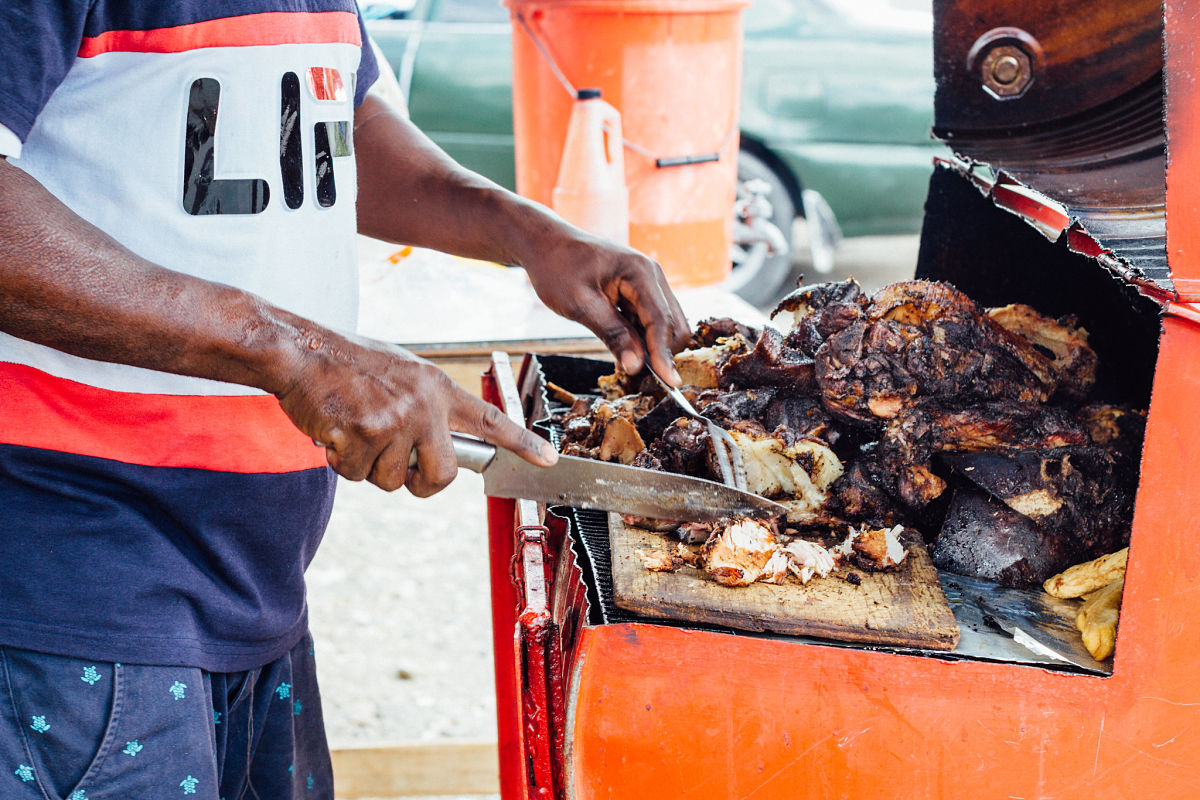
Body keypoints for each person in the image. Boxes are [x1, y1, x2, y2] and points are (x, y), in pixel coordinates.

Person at [0, 3, 689, 798]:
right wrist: (299, 354)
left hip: (259, 587)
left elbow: (329, 128)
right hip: (75, 598)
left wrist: (526, 231)